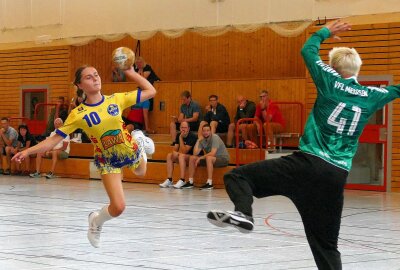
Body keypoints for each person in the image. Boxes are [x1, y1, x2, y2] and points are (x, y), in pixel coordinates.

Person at [206, 20, 400, 270]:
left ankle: (243, 213)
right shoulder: (374, 95)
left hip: (305, 165)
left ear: (333, 68)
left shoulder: (330, 80)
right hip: (335, 177)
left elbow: (308, 50)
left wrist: (326, 31)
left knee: (238, 177)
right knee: (326, 246)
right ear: (357, 71)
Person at [12, 64, 156, 248]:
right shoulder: (78, 114)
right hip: (107, 159)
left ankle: (138, 140)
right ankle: (96, 221)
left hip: (128, 148)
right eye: (89, 77)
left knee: (141, 172)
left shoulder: (116, 99)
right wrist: (27, 151)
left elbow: (151, 90)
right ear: (79, 85)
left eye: (96, 75)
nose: (95, 78)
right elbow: (52, 140)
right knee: (118, 207)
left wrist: (131, 73)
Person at [185, 124, 229, 190]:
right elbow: (195, 153)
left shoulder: (215, 137)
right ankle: (190, 182)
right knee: (192, 158)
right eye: (204, 131)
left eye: (208, 130)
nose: (206, 132)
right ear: (202, 132)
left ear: (211, 131)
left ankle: (209, 183)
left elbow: (213, 153)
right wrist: (198, 140)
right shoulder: (202, 140)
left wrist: (200, 158)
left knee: (209, 158)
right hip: (211, 160)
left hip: (222, 159)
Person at [159, 121, 197, 189]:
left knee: (181, 156)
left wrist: (180, 138)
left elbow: (185, 151)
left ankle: (182, 180)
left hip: (192, 158)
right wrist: (176, 153)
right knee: (169, 155)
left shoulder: (192, 136)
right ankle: (169, 179)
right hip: (183, 156)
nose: (183, 129)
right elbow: (175, 150)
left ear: (188, 128)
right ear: (179, 128)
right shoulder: (178, 134)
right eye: (182, 127)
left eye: (185, 127)